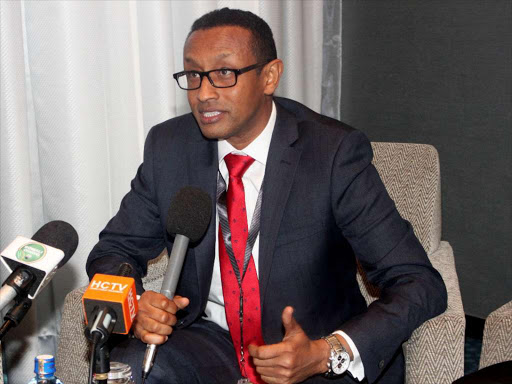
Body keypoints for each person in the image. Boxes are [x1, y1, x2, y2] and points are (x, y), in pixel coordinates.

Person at [86, 8, 447, 384]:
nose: (204, 94)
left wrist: (329, 352)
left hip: (310, 350)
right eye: (194, 75)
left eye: (224, 73)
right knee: (131, 372)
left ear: (270, 76)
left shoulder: (333, 153)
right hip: (214, 342)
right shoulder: (170, 147)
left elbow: (417, 281)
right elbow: (114, 251)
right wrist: (136, 302)